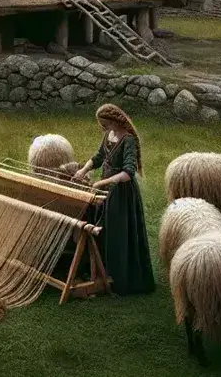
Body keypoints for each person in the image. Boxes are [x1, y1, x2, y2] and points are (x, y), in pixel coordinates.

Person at [72, 102, 155, 296]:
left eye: (104, 123)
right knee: (104, 228)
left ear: (113, 120)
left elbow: (128, 173)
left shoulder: (128, 140)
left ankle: (121, 277)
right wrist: (83, 170)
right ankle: (104, 270)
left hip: (121, 194)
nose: (102, 127)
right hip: (107, 189)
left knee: (118, 231)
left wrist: (103, 183)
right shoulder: (108, 136)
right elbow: (99, 156)